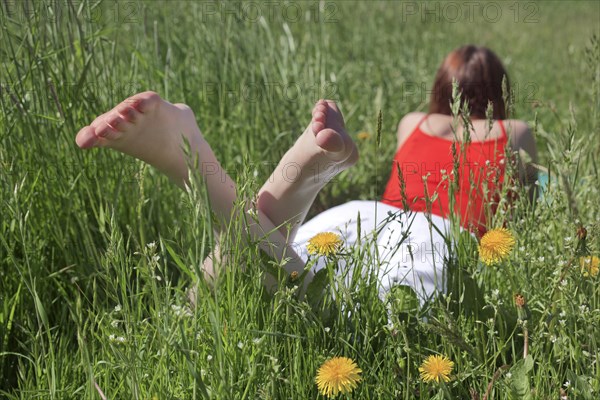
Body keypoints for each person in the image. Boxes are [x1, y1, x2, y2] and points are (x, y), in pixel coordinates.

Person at [75, 45, 537, 304]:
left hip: (365, 216)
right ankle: (209, 179)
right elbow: (523, 214)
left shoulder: (411, 123)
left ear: (442, 87)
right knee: (343, 315)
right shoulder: (515, 131)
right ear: (500, 91)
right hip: (434, 237)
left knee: (238, 280)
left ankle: (266, 192)